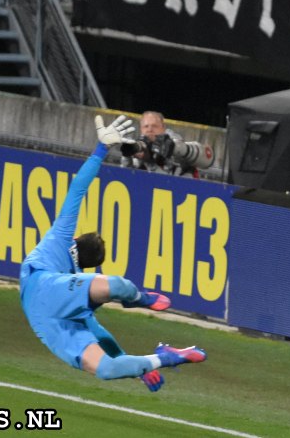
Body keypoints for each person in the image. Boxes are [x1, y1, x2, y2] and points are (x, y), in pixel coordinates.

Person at [19, 114, 206, 393]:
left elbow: (77, 188)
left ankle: (161, 357)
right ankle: (139, 302)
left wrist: (100, 149)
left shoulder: (61, 242)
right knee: (117, 286)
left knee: (108, 369)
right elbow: (101, 333)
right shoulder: (74, 278)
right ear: (89, 268)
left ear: (78, 237)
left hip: (45, 315)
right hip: (49, 298)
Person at [120, 111, 201, 178]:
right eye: (146, 126)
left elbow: (168, 180)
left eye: (154, 126)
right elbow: (126, 178)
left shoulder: (172, 141)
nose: (150, 130)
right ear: (141, 129)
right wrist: (127, 157)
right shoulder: (139, 146)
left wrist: (151, 160)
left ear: (163, 128)